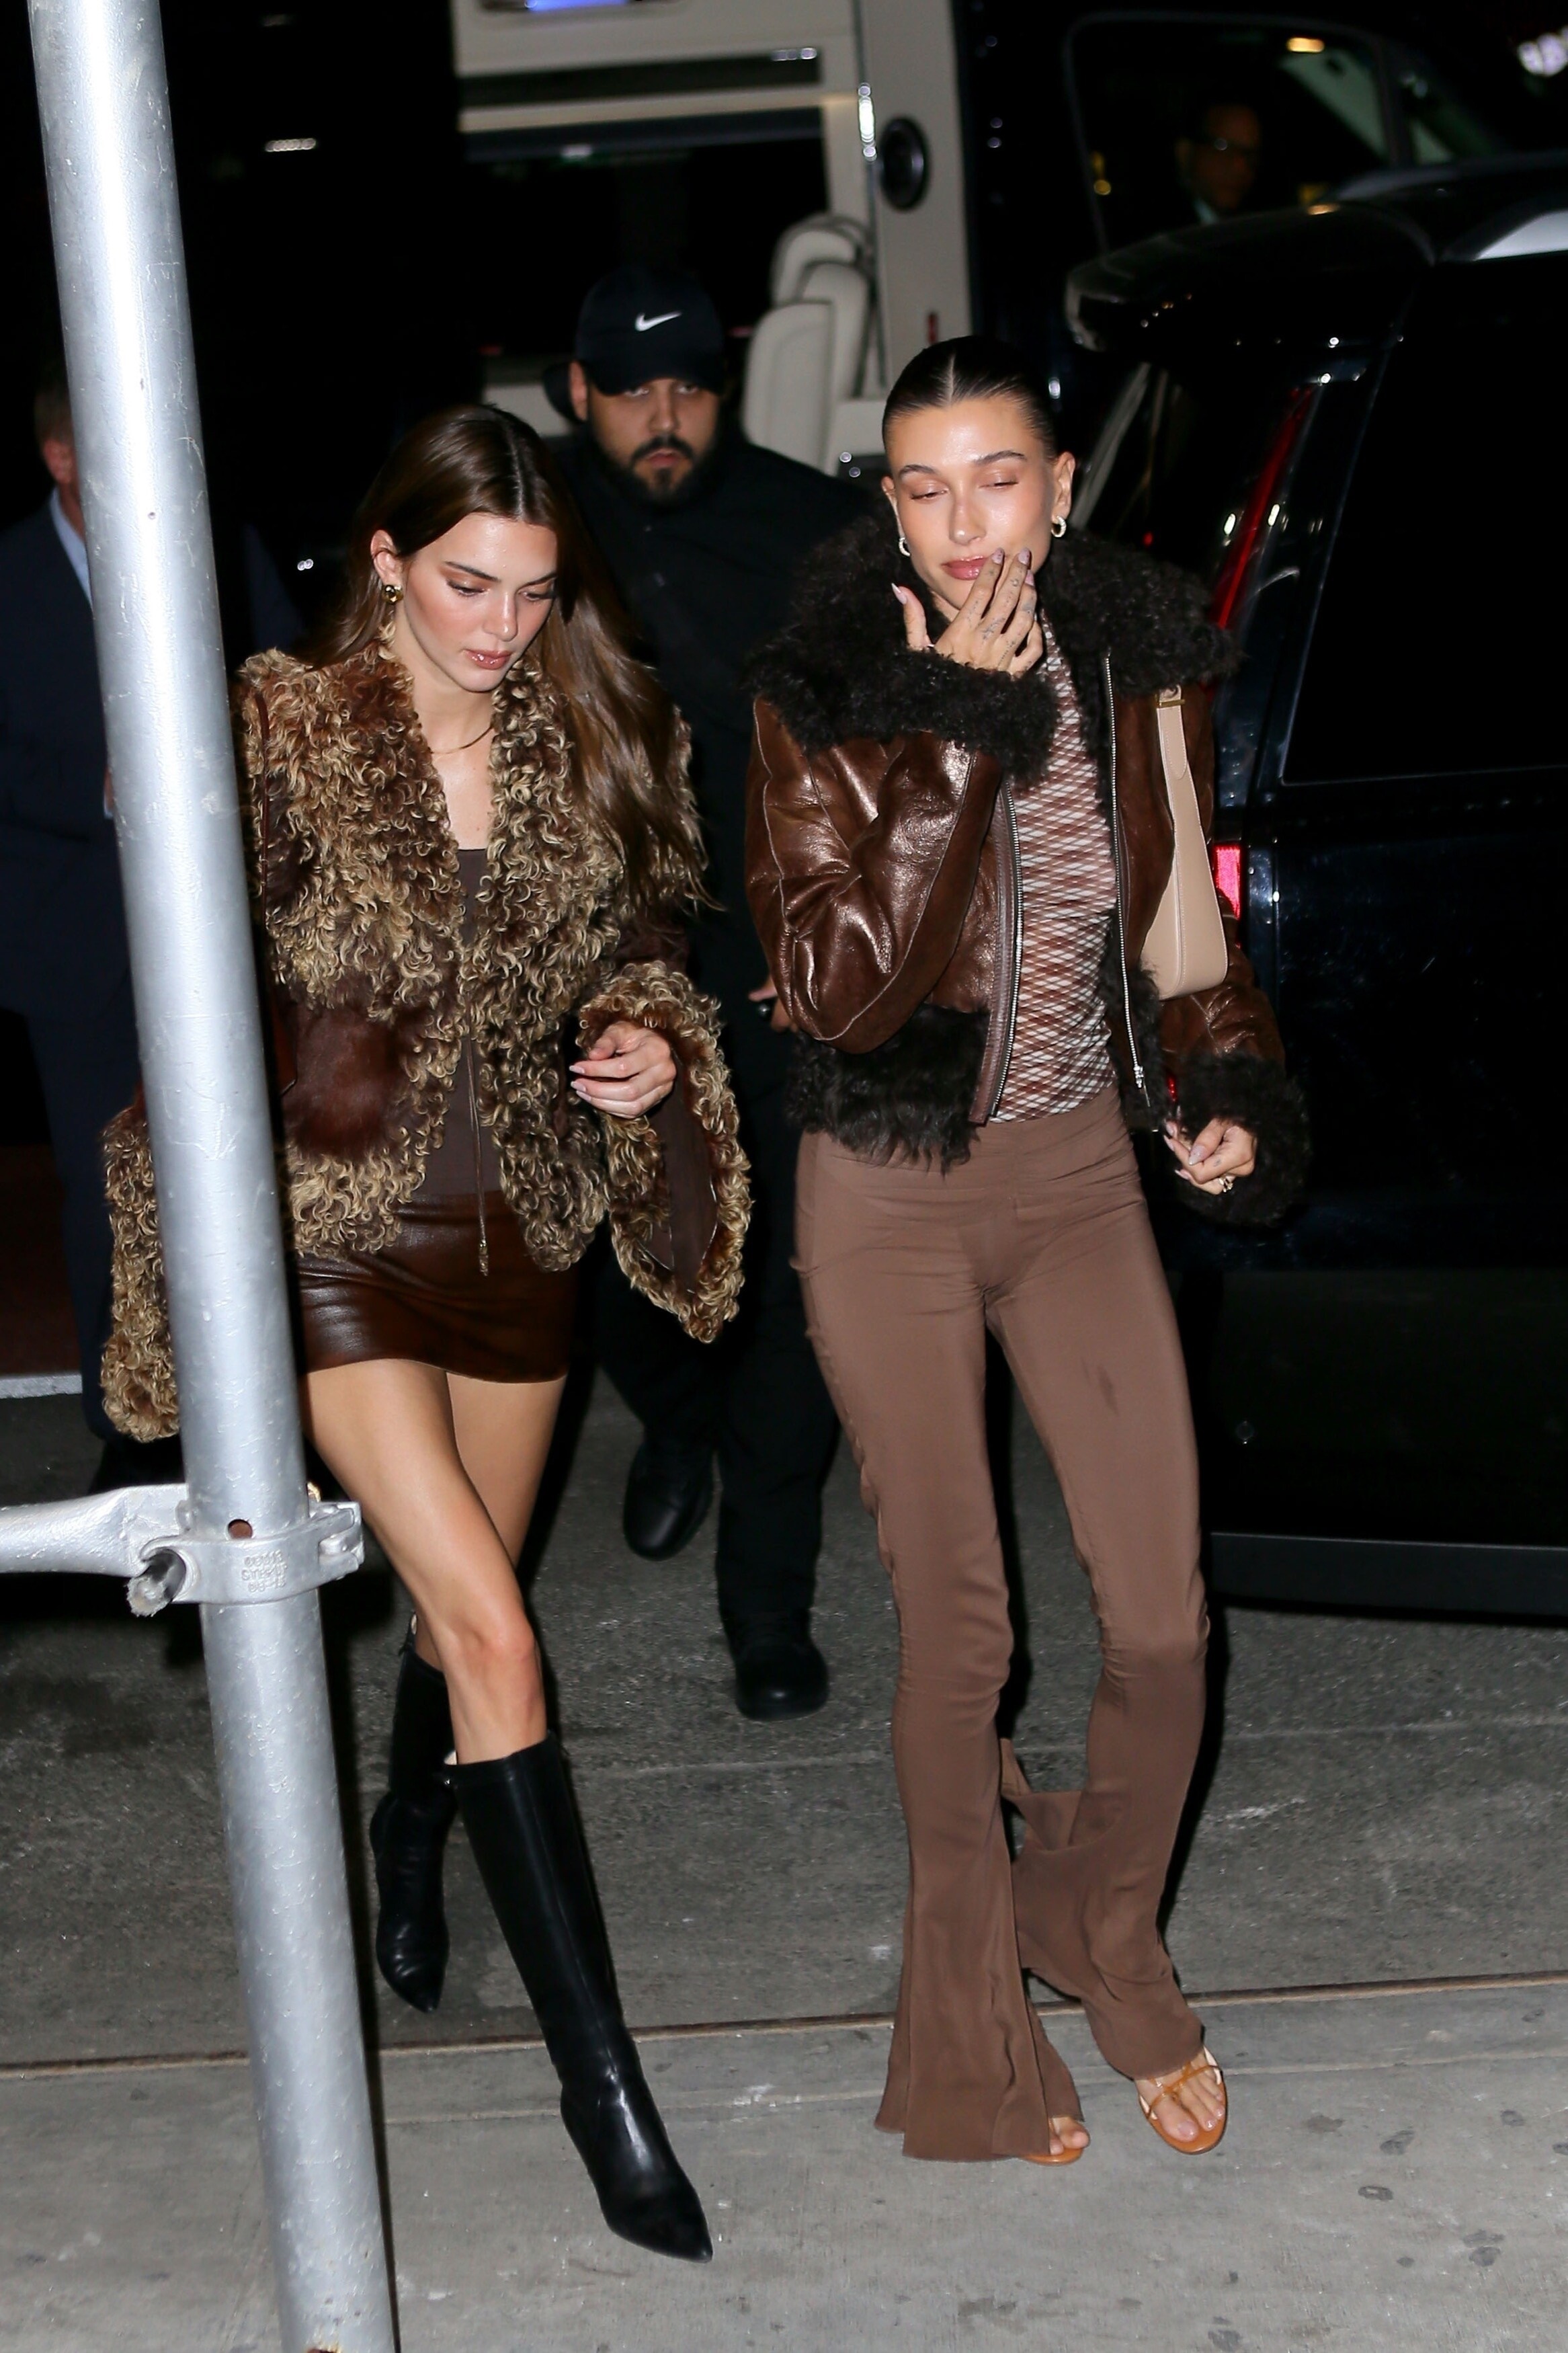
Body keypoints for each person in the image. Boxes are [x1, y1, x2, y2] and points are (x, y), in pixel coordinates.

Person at [99, 406, 749, 2262]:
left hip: (519, 1233)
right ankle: (610, 2106)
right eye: (468, 585)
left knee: (467, 1609)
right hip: (335, 1233)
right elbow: (180, 939)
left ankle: (411, 1827)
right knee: (491, 1627)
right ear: (386, 561)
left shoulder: (597, 730)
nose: (502, 627)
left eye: (535, 594)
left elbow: (645, 949)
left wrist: (641, 1042)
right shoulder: (275, 729)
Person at [745, 340, 1307, 2165]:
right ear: (889, 504)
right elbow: (837, 991)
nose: (963, 523)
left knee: (1161, 1618)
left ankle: (1097, 1921)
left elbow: (1180, 938)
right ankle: (978, 2031)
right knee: (959, 1632)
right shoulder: (826, 684)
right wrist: (958, 736)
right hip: (887, 1191)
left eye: (997, 479)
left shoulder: (1138, 657)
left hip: (1074, 1182)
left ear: (1058, 490)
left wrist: (1222, 1087)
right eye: (923, 488)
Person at [550, 264, 863, 1721]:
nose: (663, 417)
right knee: (617, 1268)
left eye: (686, 387)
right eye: (631, 393)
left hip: (783, 967)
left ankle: (767, 1606)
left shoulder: (808, 526)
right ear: (578, 393)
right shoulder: (537, 523)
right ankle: (673, 1422)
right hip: (600, 969)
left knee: (793, 1296)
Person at [0, 358, 297, 1481]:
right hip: (72, 935)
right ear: (62, 456)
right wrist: (99, 788)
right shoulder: (8, 577)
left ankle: (262, 1407)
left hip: (225, 915)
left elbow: (284, 685)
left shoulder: (217, 547)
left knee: (246, 1159)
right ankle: (130, 1429)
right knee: (106, 1183)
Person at [1175, 100, 1264, 222]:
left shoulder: (1257, 225)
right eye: (1223, 147)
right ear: (1185, 152)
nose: (1240, 167)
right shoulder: (1164, 226)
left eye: (1249, 155)